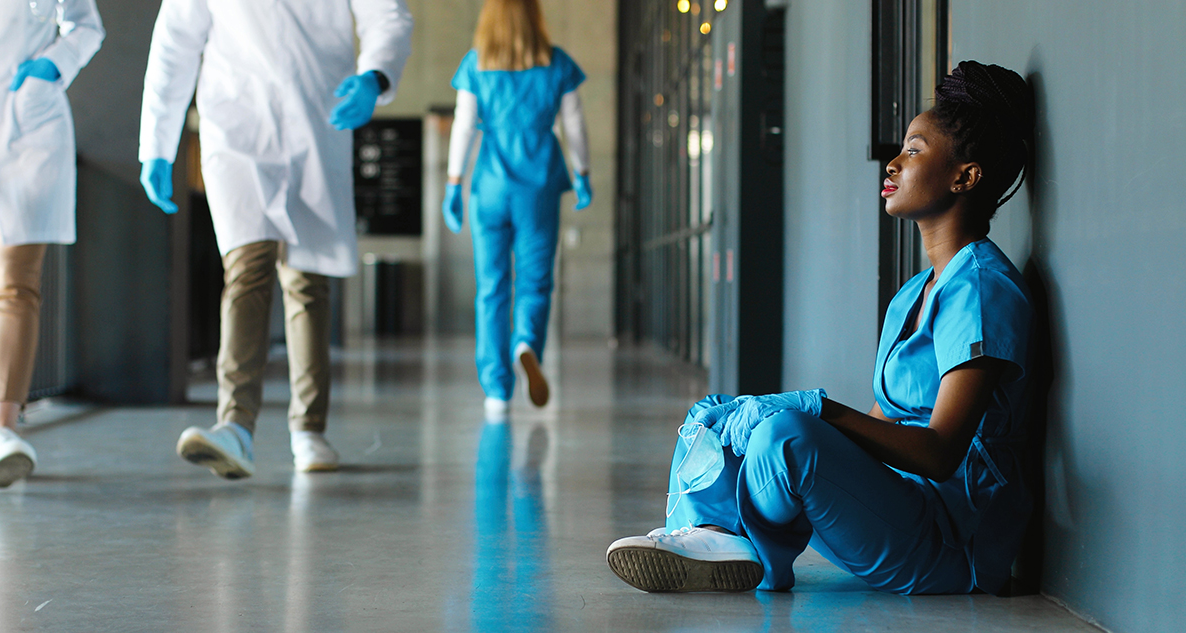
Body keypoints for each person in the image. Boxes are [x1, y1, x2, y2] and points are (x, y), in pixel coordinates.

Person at [607, 61, 1036, 595]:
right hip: (892, 512)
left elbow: (940, 452)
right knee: (718, 415)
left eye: (915, 150)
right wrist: (784, 415)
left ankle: (737, 541)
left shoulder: (981, 288)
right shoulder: (913, 294)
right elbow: (885, 428)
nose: (895, 162)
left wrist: (816, 411)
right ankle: (711, 535)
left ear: (964, 176)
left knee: (788, 435)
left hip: (950, 541)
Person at [138, 0, 413, 478]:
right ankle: (236, 427)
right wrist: (158, 143)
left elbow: (387, 15)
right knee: (247, 267)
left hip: (318, 116)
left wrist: (375, 75)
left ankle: (309, 429)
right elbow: (175, 41)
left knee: (309, 280)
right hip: (237, 123)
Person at [442, 0, 592, 418]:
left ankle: (496, 389)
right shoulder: (558, 64)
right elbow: (574, 125)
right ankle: (526, 342)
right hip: (539, 186)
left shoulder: (475, 64)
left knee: (491, 287)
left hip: (489, 186)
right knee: (535, 282)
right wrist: (582, 172)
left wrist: (454, 183)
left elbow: (464, 125)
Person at [0, 0, 104, 488]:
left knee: (15, 285)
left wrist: (51, 67)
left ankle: (2, 430)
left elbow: (87, 26)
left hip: (25, 131)